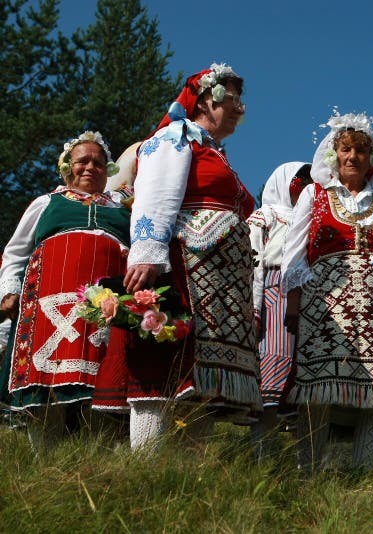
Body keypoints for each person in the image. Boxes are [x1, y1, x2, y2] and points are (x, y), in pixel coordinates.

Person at [122, 62, 261, 451]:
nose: (240, 109)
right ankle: (146, 465)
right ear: (205, 100)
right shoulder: (175, 138)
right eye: (233, 99)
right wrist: (147, 253)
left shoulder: (215, 152)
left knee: (199, 381)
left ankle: (189, 474)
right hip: (184, 266)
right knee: (166, 360)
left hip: (217, 279)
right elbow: (156, 193)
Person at [282, 112, 373, 471]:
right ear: (335, 155)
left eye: (360, 152)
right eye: (346, 150)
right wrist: (294, 303)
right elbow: (294, 253)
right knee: (317, 387)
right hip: (325, 303)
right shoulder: (314, 195)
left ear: (371, 159)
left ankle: (368, 472)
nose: (352, 157)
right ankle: (310, 469)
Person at [0, 131, 129, 449]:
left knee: (104, 372)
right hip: (48, 296)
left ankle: (102, 452)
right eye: (82, 161)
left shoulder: (124, 209)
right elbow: (16, 252)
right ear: (67, 166)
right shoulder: (47, 203)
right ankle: (46, 455)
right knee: (46, 376)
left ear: (108, 171)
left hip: (109, 298)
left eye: (98, 163)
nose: (90, 167)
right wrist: (8, 290)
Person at [247, 161, 312, 456]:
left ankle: (303, 458)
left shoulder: (312, 219)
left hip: (309, 299)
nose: (305, 187)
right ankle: (263, 452)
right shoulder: (265, 216)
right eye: (300, 181)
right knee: (273, 374)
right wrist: (255, 307)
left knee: (302, 378)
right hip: (275, 296)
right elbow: (254, 263)